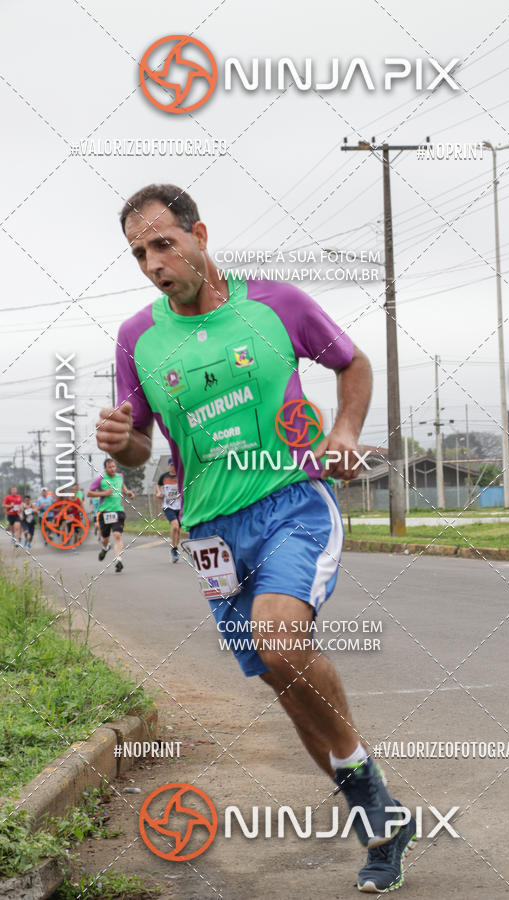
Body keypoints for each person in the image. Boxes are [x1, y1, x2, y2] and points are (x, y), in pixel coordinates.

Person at [95, 184, 416, 892]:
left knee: (280, 641)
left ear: (199, 234)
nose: (153, 263)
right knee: (283, 681)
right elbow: (140, 449)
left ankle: (364, 794)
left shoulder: (277, 305)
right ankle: (380, 818)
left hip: (292, 502)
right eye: (140, 252)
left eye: (164, 244)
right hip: (211, 529)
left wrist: (344, 432)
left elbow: (353, 365)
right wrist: (122, 444)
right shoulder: (137, 339)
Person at [87, 459, 134, 573]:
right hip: (105, 512)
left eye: (114, 467)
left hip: (118, 511)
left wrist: (128, 492)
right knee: (105, 539)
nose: (112, 469)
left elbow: (122, 486)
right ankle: (105, 548)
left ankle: (118, 560)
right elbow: (89, 493)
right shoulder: (100, 480)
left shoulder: (119, 477)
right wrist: (104, 493)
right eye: (110, 467)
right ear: (105, 468)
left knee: (117, 535)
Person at [156, 457, 182, 563]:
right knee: (175, 526)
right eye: (171, 465)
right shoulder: (164, 477)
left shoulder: (181, 476)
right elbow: (158, 485)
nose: (173, 467)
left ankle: (175, 548)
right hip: (168, 506)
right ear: (168, 466)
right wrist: (158, 492)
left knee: (179, 529)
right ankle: (174, 549)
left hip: (180, 506)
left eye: (174, 465)